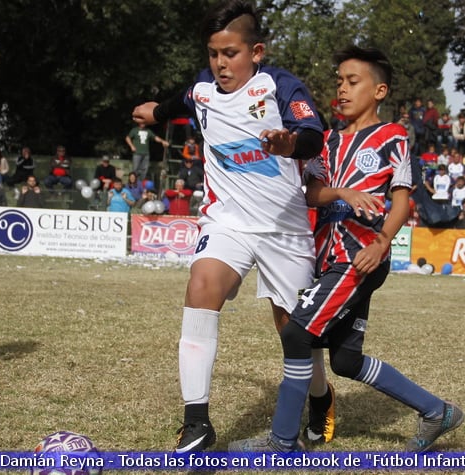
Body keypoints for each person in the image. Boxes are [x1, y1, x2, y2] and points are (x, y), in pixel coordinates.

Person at [229, 45, 463, 454]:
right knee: (345, 361)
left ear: (379, 91)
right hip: (329, 258)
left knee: (298, 335)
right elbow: (312, 193)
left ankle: (282, 441)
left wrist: (381, 242)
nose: (341, 88)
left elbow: (403, 200)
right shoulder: (325, 141)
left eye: (353, 81)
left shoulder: (393, 137)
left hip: (359, 258)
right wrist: (341, 191)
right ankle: (437, 411)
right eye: (338, 81)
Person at [131, 0, 332, 453]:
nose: (221, 63)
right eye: (213, 53)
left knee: (292, 330)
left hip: (283, 229)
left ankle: (320, 397)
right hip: (228, 221)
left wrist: (290, 142)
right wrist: (155, 114)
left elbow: (314, 135)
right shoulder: (203, 89)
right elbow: (180, 102)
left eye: (231, 53)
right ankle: (197, 424)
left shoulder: (280, 86)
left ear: (255, 51)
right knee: (201, 284)